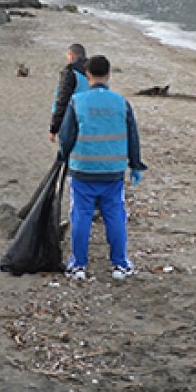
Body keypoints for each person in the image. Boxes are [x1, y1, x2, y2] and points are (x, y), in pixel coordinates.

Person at [58, 55, 147, 280]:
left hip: (83, 170)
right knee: (115, 215)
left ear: (87, 75)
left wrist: (63, 156)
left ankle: (78, 264)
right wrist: (135, 164)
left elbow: (66, 135)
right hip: (112, 171)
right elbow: (133, 136)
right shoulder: (121, 102)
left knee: (81, 215)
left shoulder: (77, 102)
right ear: (108, 75)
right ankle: (120, 263)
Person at [49, 43, 89, 144]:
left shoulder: (70, 72)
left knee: (66, 153)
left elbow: (62, 100)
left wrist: (54, 128)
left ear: (71, 55)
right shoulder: (94, 71)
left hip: (71, 119)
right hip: (91, 119)